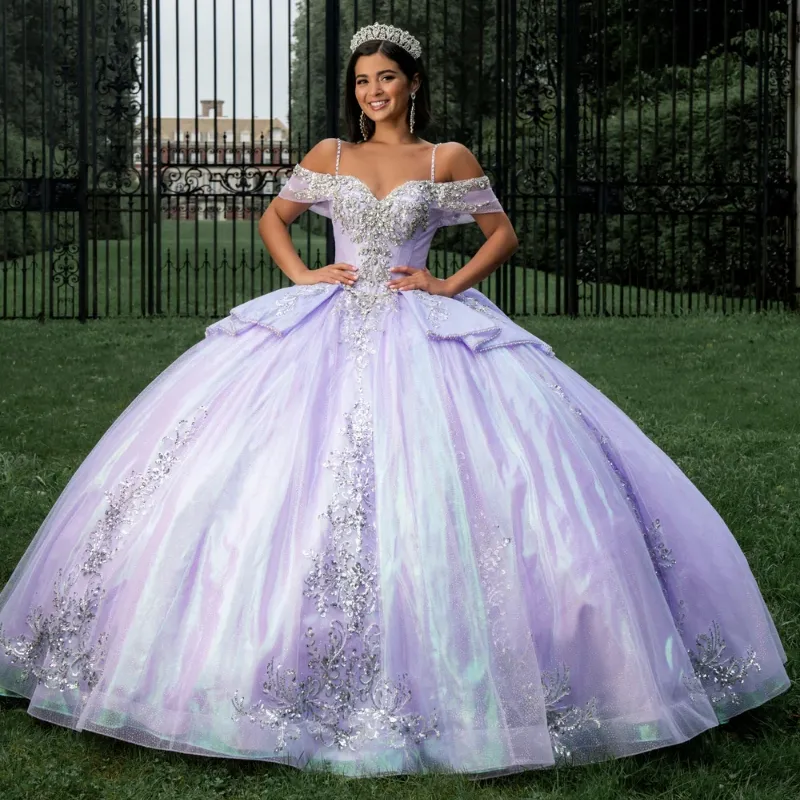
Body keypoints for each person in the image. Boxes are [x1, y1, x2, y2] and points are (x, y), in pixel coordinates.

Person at [0, 22, 790, 780]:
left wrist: (447, 283)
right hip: (329, 318)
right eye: (361, 80)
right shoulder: (331, 153)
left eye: (385, 78)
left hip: (421, 323)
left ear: (412, 84)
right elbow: (275, 219)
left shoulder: (446, 157)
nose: (372, 90)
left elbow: (501, 232)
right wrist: (305, 274)